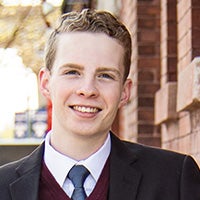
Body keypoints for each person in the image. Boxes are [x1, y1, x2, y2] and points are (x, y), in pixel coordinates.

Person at [0, 9, 200, 200]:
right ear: (45, 83)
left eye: (105, 75)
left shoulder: (173, 180)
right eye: (72, 72)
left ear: (124, 91)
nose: (87, 89)